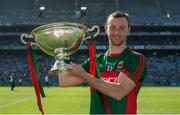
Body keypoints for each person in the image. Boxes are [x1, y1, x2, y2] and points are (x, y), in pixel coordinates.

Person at [59, 11, 147, 114]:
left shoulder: (136, 59)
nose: (116, 32)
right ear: (106, 29)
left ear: (128, 30)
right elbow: (64, 80)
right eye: (112, 27)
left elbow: (119, 92)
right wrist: (63, 52)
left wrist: (86, 76)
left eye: (122, 28)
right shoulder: (96, 60)